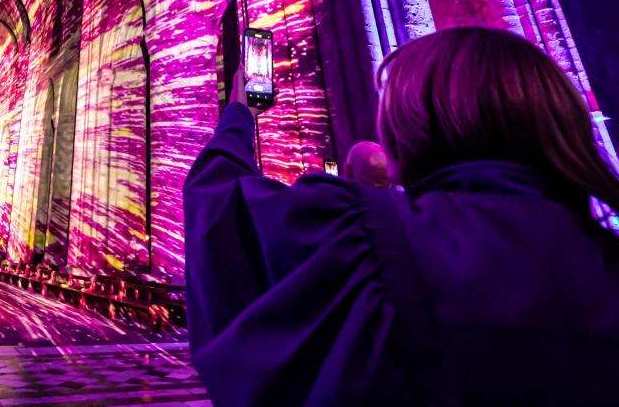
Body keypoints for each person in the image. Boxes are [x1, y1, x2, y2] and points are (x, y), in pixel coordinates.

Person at [183, 26, 619, 406]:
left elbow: (219, 209)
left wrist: (240, 114)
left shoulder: (367, 233)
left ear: (422, 125)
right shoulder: (602, 255)